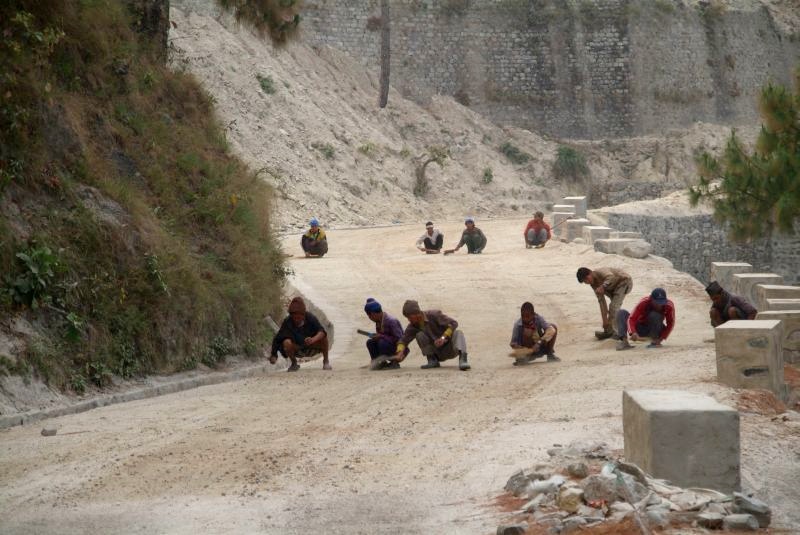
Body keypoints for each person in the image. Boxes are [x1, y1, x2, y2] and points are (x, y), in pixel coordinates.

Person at [393, 300, 470, 370]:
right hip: (437, 353)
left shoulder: (434, 315)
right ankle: (432, 360)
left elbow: (453, 323)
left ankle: (463, 359)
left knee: (458, 333)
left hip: (450, 349)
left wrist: (443, 337)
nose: (408, 320)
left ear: (416, 314)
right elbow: (403, 340)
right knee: (420, 335)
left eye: (409, 317)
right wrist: (400, 351)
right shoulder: (413, 326)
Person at [269, 297, 331, 371]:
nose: (296, 320)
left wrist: (313, 339)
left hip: (312, 346)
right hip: (298, 348)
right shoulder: (288, 322)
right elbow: (278, 338)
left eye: (299, 317)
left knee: (323, 338)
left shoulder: (310, 318)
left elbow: (322, 331)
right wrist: (274, 355)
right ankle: (294, 363)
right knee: (286, 342)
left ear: (303, 315)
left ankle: (326, 361)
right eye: (294, 318)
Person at [577, 266, 633, 340]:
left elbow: (611, 277)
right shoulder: (594, 285)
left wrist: (603, 287)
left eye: (587, 278)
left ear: (591, 272)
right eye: (585, 281)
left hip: (624, 281)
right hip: (612, 288)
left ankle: (617, 333)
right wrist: (604, 321)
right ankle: (609, 331)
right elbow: (601, 302)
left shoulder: (600, 271)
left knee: (613, 307)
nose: (587, 282)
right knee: (613, 308)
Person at [363, 298, 406, 370]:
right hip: (388, 344)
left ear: (373, 314)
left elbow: (400, 339)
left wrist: (381, 336)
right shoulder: (378, 322)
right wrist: (377, 337)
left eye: (369, 316)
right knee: (370, 342)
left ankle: (394, 363)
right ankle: (380, 363)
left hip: (399, 349)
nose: (370, 318)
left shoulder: (392, 321)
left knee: (382, 343)